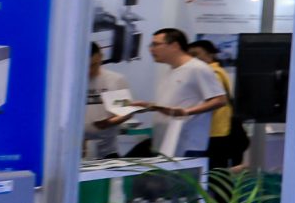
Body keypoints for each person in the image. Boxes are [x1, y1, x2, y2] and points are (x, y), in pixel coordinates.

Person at [141, 28, 226, 163]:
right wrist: (148, 105)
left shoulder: (198, 68)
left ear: (175, 46)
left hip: (187, 145)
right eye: (151, 45)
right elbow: (174, 103)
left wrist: (187, 112)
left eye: (156, 44)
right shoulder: (171, 70)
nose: (151, 49)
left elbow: (220, 100)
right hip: (166, 144)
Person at [188, 40, 244, 171]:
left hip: (214, 131)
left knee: (213, 173)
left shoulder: (212, 73)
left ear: (210, 54)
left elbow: (216, 101)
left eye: (196, 54)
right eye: (190, 55)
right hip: (217, 130)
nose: (193, 59)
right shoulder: (217, 71)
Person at [83, 43, 135, 158]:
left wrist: (108, 122)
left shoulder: (114, 80)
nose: (90, 70)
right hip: (76, 151)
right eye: (86, 66)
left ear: (101, 57)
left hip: (106, 150)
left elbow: (126, 112)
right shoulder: (71, 82)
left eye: (93, 65)